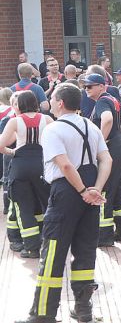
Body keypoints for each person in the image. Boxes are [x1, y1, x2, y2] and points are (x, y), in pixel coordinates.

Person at [18, 83, 111, 323]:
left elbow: (66, 165)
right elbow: (106, 159)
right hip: (90, 193)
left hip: (66, 193)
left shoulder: (53, 130)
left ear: (59, 103)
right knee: (85, 251)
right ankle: (83, 310)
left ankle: (43, 314)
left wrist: (82, 190)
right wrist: (95, 190)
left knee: (53, 253)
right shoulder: (91, 126)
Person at [82, 73, 121, 247]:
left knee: (104, 190)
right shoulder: (112, 99)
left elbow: (108, 119)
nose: (86, 89)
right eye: (85, 87)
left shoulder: (103, 101)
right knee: (118, 188)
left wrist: (100, 143)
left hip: (111, 149)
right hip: (119, 146)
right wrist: (119, 134)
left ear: (101, 87)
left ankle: (104, 236)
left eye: (90, 86)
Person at [0, 92, 53, 257]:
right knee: (47, 204)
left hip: (21, 165)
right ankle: (50, 240)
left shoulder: (15, 121)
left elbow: (1, 145)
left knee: (24, 207)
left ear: (19, 105)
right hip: (41, 165)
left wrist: (13, 152)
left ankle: (31, 247)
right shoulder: (48, 119)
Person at [1, 89, 21, 252]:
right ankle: (6, 205)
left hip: (21, 157)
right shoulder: (9, 120)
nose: (17, 106)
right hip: (10, 154)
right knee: (7, 181)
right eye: (15, 103)